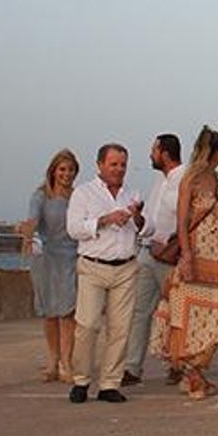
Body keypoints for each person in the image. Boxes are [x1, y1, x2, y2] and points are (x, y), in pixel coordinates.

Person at [150, 127, 218, 400]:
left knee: (215, 316)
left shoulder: (216, 179)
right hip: (195, 257)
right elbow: (183, 221)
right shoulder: (192, 179)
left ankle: (195, 371)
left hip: (216, 258)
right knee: (187, 318)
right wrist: (186, 255)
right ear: (216, 151)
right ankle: (192, 374)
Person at [64, 143, 144, 404]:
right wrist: (105, 220)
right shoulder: (84, 193)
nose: (119, 169)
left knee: (120, 329)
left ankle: (110, 383)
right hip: (93, 266)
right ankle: (81, 380)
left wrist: (138, 218)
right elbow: (74, 229)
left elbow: (148, 228)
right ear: (100, 165)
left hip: (125, 267)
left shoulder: (132, 194)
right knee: (87, 325)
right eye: (114, 164)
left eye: (123, 165)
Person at [125, 133, 183, 386]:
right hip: (147, 253)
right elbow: (149, 221)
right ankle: (132, 367)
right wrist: (138, 218)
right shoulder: (159, 181)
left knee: (176, 314)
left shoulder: (184, 179)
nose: (150, 155)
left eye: (154, 150)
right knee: (139, 311)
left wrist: (174, 246)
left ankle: (178, 364)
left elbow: (188, 219)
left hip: (171, 257)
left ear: (164, 153)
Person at [24, 149, 80, 384]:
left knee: (67, 312)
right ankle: (52, 359)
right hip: (46, 258)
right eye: (62, 169)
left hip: (71, 257)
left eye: (71, 170)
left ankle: (67, 361)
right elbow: (32, 220)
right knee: (49, 312)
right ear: (53, 171)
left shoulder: (78, 196)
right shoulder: (41, 196)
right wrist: (28, 234)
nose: (66, 174)